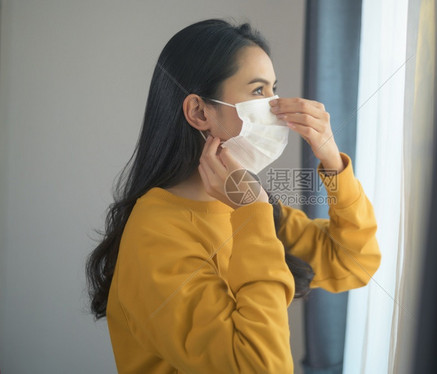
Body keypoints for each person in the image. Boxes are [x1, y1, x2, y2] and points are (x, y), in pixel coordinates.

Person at [86, 18, 381, 374]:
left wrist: (332, 160)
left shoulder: (247, 206)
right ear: (199, 111)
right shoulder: (157, 234)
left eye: (274, 90)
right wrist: (251, 212)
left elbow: (354, 261)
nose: (275, 107)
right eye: (258, 92)